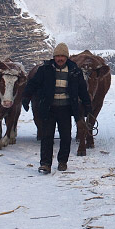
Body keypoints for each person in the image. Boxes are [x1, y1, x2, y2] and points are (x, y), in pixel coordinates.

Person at [23, 43, 92, 174]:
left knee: (65, 137)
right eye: (57, 56)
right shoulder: (45, 69)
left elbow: (82, 89)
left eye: (62, 56)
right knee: (47, 136)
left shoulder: (74, 71)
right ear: (54, 57)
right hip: (49, 108)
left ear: (66, 57)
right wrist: (26, 97)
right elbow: (33, 84)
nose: (59, 58)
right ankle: (45, 163)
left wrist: (87, 104)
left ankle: (62, 162)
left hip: (66, 108)